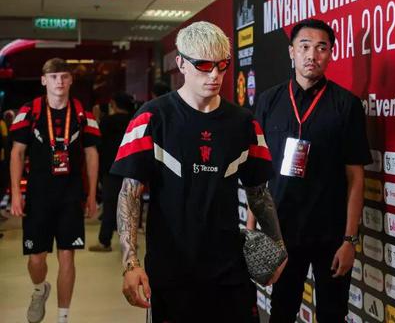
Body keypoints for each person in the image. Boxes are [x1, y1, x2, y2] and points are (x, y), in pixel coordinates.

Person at [111, 21, 287, 323]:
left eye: (222, 65)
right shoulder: (151, 118)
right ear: (181, 63)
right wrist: (131, 263)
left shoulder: (244, 123)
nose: (214, 75)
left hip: (229, 271)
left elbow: (258, 193)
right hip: (171, 272)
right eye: (203, 65)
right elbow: (130, 193)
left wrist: (278, 246)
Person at [251, 18, 371, 323]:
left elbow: (356, 178)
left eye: (321, 48)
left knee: (333, 314)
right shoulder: (268, 101)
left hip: (330, 233)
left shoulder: (346, 105)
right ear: (291, 51)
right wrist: (252, 232)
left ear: (331, 54)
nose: (312, 55)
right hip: (282, 231)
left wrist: (349, 240)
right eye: (304, 46)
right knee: (281, 312)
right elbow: (257, 172)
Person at [9, 58, 100, 323]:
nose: (59, 81)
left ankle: (63, 317)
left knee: (67, 256)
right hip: (38, 196)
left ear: (71, 80)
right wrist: (16, 194)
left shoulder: (82, 114)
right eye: (53, 77)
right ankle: (40, 289)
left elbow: (92, 154)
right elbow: (17, 153)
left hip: (71, 195)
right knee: (36, 259)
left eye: (64, 76)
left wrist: (92, 195)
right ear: (43, 80)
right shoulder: (30, 111)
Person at [89, 92, 135, 252]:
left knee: (110, 206)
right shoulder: (135, 120)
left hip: (111, 169)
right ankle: (130, 243)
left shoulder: (107, 121)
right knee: (130, 206)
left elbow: (97, 144)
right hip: (132, 168)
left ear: (114, 105)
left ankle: (105, 241)